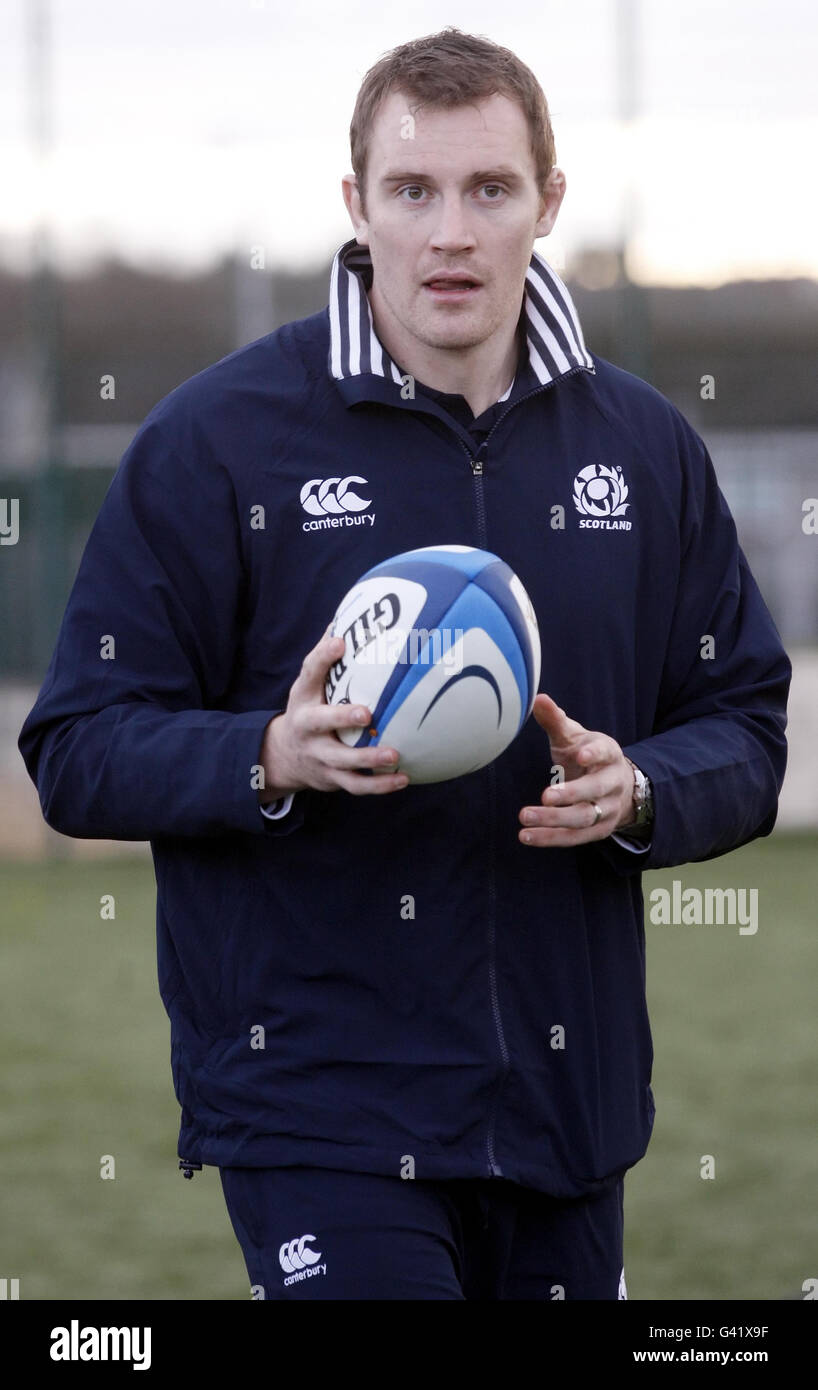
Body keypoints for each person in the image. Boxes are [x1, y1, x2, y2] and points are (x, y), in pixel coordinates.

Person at [19, 28, 790, 1301]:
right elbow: (78, 742)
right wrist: (265, 756)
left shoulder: (643, 451)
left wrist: (640, 790)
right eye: (411, 191)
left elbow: (745, 726)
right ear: (355, 205)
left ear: (547, 201)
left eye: (489, 191)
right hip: (317, 1103)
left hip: (562, 1105)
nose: (449, 233)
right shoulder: (220, 442)